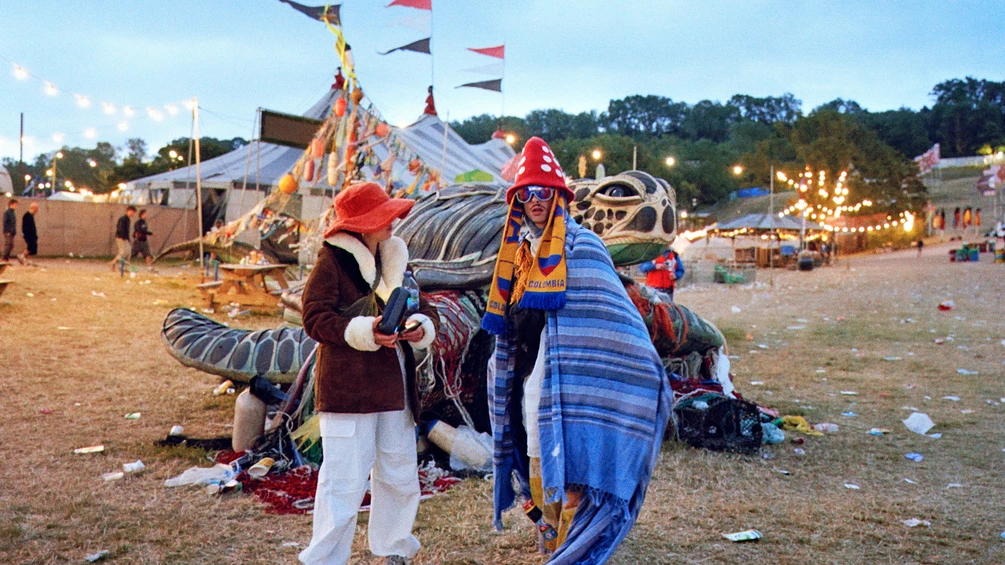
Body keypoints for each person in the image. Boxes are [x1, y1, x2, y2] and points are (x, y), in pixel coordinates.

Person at [481, 137, 670, 563]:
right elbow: (510, 325)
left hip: (575, 385)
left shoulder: (581, 247)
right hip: (534, 380)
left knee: (572, 471)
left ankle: (575, 549)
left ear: (559, 197)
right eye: (525, 193)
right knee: (535, 461)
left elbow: (613, 319)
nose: (534, 201)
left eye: (543, 192)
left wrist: (644, 371)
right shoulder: (516, 255)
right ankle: (553, 546)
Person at [299, 182, 438, 565]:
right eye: (384, 216)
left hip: (394, 387)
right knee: (343, 481)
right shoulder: (332, 261)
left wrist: (418, 325)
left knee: (399, 473)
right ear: (363, 224)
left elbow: (425, 307)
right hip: (350, 389)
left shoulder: (394, 259)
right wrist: (364, 331)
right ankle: (324, 559)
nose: (393, 221)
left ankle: (394, 548)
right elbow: (314, 317)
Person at [110, 206, 135, 271]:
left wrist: (128, 239)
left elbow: (127, 230)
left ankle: (124, 267)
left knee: (128, 252)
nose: (133, 214)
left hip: (125, 238)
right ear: (128, 211)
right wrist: (123, 237)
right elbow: (120, 228)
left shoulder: (128, 220)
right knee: (123, 252)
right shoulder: (123, 219)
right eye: (132, 212)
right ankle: (114, 262)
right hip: (121, 237)